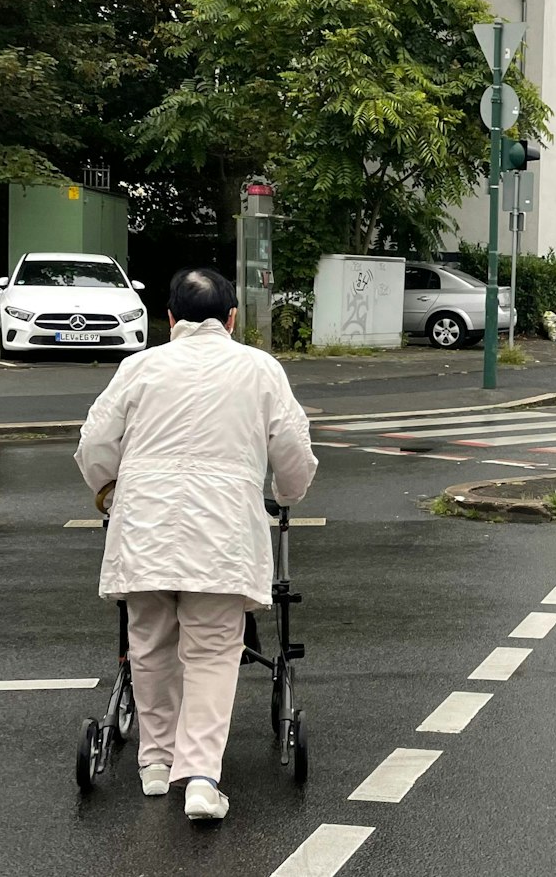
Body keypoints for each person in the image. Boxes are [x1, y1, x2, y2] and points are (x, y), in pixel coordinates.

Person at [75, 267, 317, 821]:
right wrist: (285, 493)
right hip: (223, 537)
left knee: (151, 647)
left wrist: (110, 489)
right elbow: (294, 454)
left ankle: (155, 765)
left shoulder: (139, 366)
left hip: (145, 531)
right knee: (212, 653)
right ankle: (202, 778)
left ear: (169, 318)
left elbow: (95, 443)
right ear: (232, 319)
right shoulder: (260, 369)